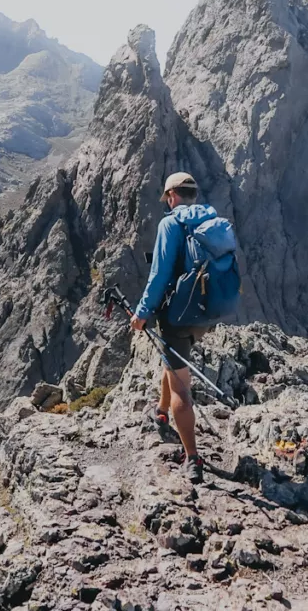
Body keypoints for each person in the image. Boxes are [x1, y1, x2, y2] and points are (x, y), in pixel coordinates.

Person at [130, 171, 216, 484]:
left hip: (179, 315)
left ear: (171, 196)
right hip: (206, 312)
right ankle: (162, 411)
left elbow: (159, 275)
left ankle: (192, 457)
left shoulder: (171, 223)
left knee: (182, 384)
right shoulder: (210, 220)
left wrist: (142, 313)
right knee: (172, 358)